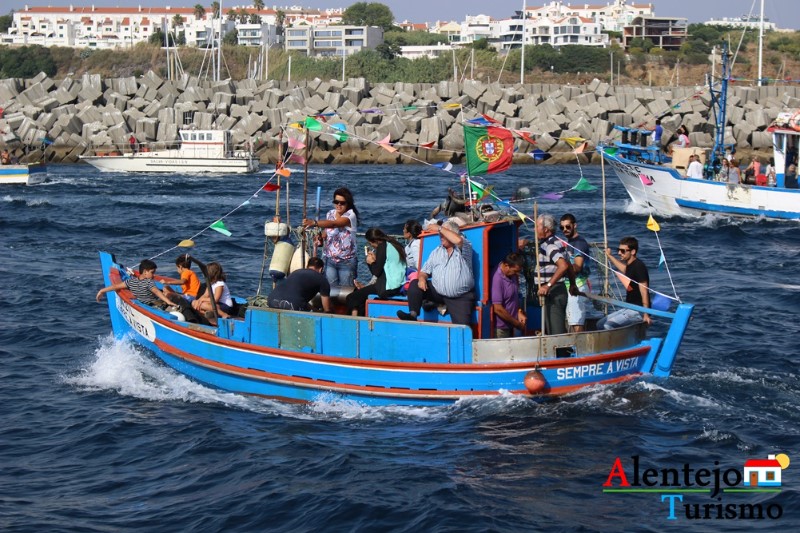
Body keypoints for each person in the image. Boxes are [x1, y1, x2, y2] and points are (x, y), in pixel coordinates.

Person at [397, 220, 475, 325]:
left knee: (462, 330)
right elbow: (424, 271)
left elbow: (458, 240)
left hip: (459, 297)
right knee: (415, 284)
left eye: (443, 234)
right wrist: (422, 278)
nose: (440, 236)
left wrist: (439, 228)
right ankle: (413, 315)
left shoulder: (464, 246)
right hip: (438, 292)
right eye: (439, 234)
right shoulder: (437, 251)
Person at [302, 187, 359, 287]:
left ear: (348, 203)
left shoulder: (350, 216)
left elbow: (334, 224)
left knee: (346, 291)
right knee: (330, 290)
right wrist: (321, 236)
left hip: (346, 261)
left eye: (342, 203)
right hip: (330, 259)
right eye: (336, 202)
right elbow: (329, 230)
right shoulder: (330, 213)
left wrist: (314, 223)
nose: (339, 205)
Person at [346, 228, 406, 316]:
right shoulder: (394, 244)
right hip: (398, 284)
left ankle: (355, 322)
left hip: (387, 287)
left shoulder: (382, 246)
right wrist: (376, 260)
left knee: (351, 298)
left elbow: (376, 272)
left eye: (370, 243)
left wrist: (371, 262)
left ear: (375, 240)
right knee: (362, 298)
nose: (372, 246)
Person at [534, 214, 578, 335]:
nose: (534, 229)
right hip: (557, 290)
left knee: (556, 332)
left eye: (537, 226)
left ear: (545, 229)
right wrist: (572, 284)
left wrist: (547, 285)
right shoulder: (558, 242)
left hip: (553, 292)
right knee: (552, 328)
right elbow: (568, 264)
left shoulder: (549, 245)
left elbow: (563, 265)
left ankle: (562, 353)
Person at [598, 237, 652, 330]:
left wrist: (646, 314)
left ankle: (614, 344)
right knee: (600, 324)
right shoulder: (631, 265)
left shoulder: (639, 267)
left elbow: (644, 291)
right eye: (619, 250)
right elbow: (625, 270)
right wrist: (610, 256)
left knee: (608, 325)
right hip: (629, 307)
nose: (619, 253)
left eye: (623, 251)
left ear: (633, 252)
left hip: (638, 310)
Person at [96, 259, 176, 308]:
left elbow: (116, 286)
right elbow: (156, 291)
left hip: (145, 304)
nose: (154, 275)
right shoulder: (149, 282)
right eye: (152, 272)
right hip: (156, 305)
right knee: (167, 290)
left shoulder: (131, 282)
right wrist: (168, 301)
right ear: (145, 272)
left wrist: (102, 291)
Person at [560, 214, 593, 333]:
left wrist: (562, 267)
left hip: (578, 285)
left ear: (575, 225)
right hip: (571, 285)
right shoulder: (571, 242)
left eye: (568, 227)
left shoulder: (579, 243)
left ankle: (578, 348)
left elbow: (578, 267)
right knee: (572, 319)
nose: (565, 230)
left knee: (577, 321)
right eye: (562, 227)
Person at [490, 252, 526, 338]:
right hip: (501, 328)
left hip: (510, 325)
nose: (517, 274)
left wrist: (518, 312)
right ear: (506, 266)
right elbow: (497, 308)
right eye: (515, 271)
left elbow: (512, 298)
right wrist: (516, 323)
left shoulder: (511, 275)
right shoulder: (497, 279)